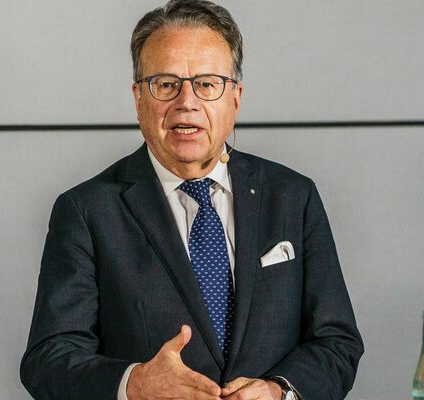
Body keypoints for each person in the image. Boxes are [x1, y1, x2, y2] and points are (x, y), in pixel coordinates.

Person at [20, 1, 363, 399]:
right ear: (138, 99)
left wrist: (278, 392)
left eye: (207, 83)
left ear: (235, 97)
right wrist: (134, 384)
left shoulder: (292, 197)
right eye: (166, 84)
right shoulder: (87, 211)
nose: (187, 102)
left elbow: (337, 341)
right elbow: (49, 358)